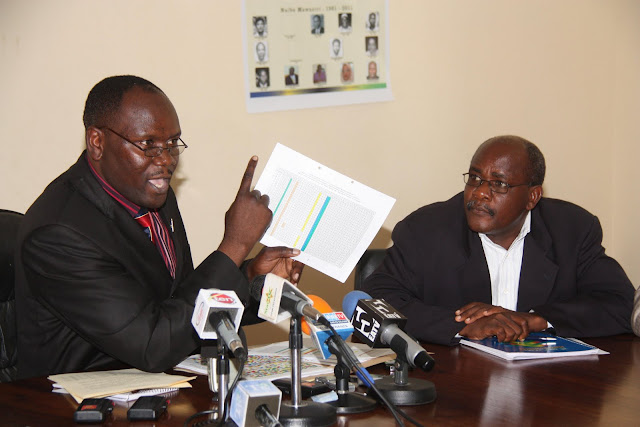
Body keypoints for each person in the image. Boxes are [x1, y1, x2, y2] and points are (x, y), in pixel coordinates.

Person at [14, 75, 303, 379]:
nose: (166, 160)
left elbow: (183, 305)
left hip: (158, 389)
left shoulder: (151, 194)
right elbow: (153, 345)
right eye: (148, 145)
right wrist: (235, 244)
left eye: (171, 143)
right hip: (74, 400)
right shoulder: (58, 233)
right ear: (97, 142)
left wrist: (252, 278)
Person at [363, 135, 634, 345]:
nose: (480, 193)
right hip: (455, 385)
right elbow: (374, 299)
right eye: (475, 178)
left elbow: (620, 304)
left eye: (499, 184)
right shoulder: (426, 229)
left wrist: (534, 320)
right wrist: (462, 326)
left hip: (545, 386)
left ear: (532, 197)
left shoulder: (572, 230)